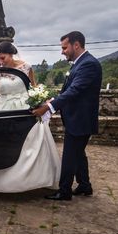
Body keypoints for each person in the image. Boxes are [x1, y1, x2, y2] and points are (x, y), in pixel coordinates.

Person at [0, 42, 61, 193]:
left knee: (29, 140)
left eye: (3, 58)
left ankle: (32, 178)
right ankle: (2, 178)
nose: (1, 62)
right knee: (3, 143)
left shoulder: (26, 67)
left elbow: (33, 87)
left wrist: (38, 101)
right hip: (3, 107)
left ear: (11, 53)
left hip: (24, 107)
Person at [32, 31, 102, 201]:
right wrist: (52, 99)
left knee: (70, 156)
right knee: (78, 153)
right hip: (77, 119)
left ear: (76, 45)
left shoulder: (89, 64)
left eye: (64, 47)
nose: (62, 51)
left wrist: (48, 107)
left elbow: (75, 91)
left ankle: (64, 191)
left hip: (81, 119)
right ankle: (85, 185)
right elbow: (68, 91)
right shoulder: (80, 63)